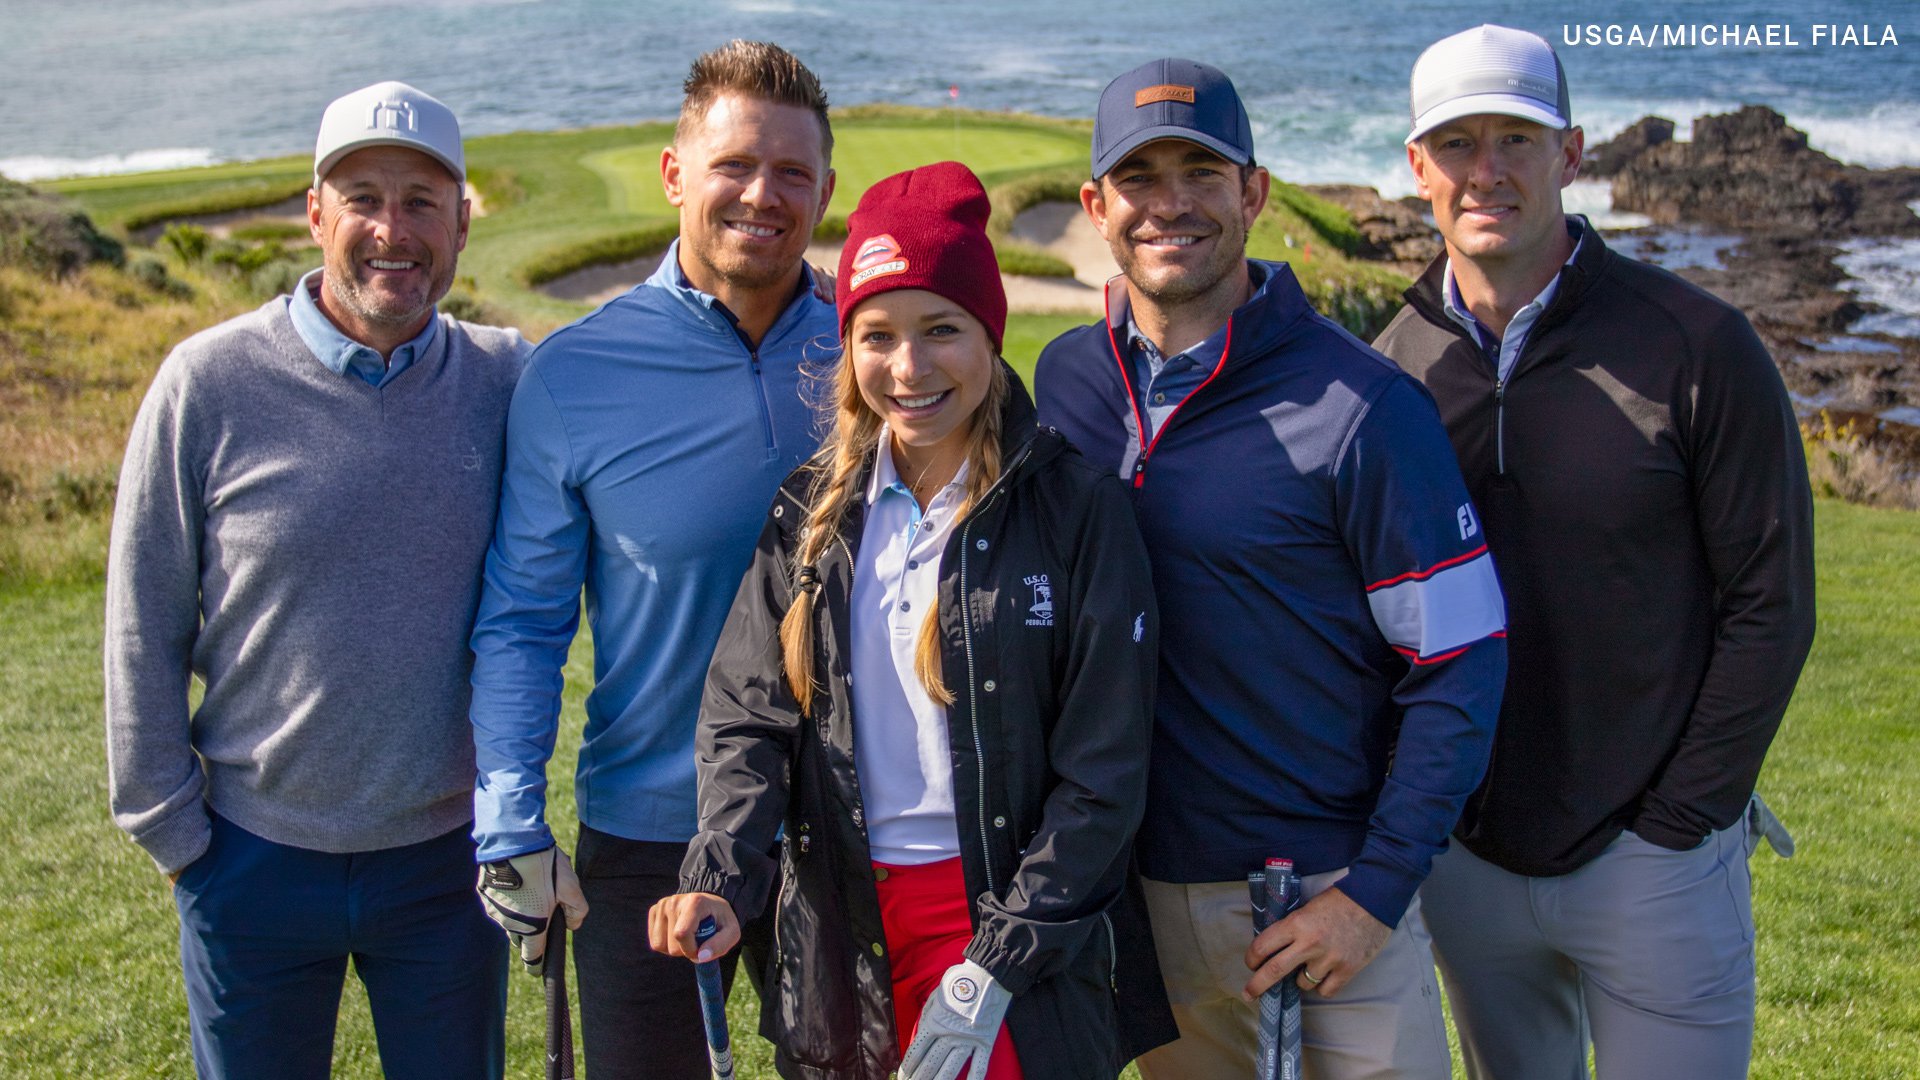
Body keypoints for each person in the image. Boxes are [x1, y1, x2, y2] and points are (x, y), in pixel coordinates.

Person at [648, 161, 1177, 1080]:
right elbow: (747, 718)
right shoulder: (810, 512)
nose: (909, 367)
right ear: (848, 346)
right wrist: (725, 875)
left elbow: (1104, 775)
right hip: (841, 924)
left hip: (1007, 933)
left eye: (943, 330)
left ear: (990, 334)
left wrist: (1000, 959)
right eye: (878, 334)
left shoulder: (1076, 509)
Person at [1033, 58, 1508, 1080]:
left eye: (1201, 172)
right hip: (1139, 905)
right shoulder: (1066, 385)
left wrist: (1375, 893)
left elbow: (1463, 662)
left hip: (1322, 910)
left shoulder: (1366, 407)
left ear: (1253, 192)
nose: (1171, 205)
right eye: (1139, 177)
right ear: (1095, 206)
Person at [1373, 25, 1817, 1080]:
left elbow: (1772, 603)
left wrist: (1683, 819)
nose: (1487, 172)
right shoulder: (1385, 371)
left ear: (1570, 157)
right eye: (1458, 143)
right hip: (1468, 860)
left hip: (1654, 858)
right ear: (1416, 168)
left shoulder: (1698, 344)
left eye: (1516, 141)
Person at [104, 81, 525, 1078]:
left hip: (445, 866)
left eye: (423, 201)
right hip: (251, 857)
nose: (393, 230)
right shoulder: (205, 381)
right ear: (316, 215)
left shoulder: (508, 379)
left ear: (460, 225)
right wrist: (173, 833)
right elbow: (142, 618)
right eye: (364, 198)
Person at [466, 40, 838, 1080]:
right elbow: (526, 620)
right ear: (675, 174)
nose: (763, 195)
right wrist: (508, 814)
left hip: (848, 822)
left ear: (825, 190)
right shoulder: (574, 373)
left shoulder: (875, 347)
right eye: (734, 166)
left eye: (792, 174)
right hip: (653, 830)